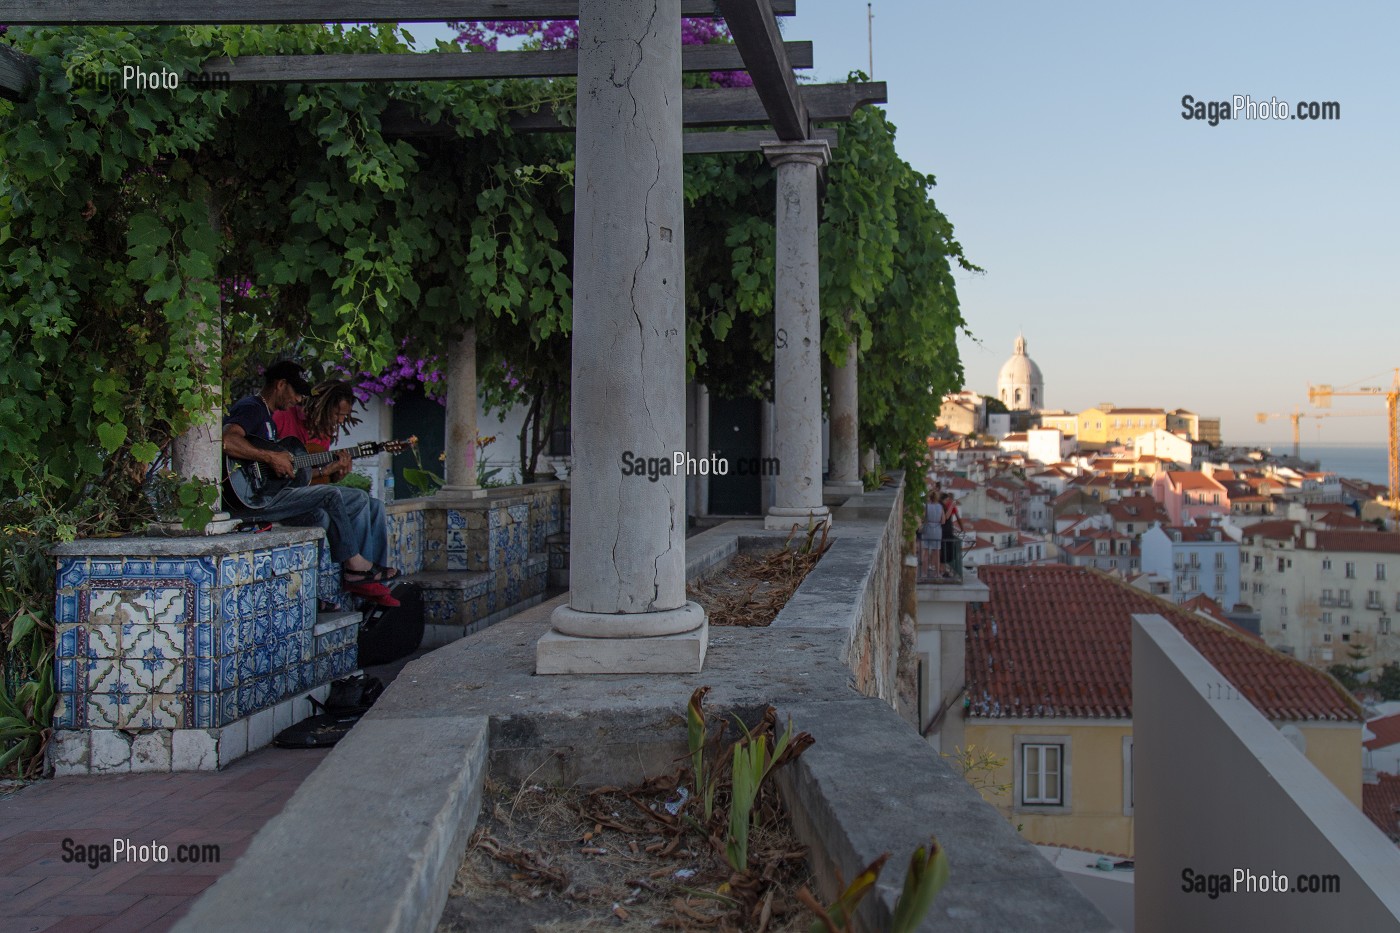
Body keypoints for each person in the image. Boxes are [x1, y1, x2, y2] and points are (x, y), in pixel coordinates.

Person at [223, 362, 398, 606]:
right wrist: (271, 457)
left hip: (268, 495)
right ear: (280, 384)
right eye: (295, 391)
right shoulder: (252, 407)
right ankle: (355, 565)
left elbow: (279, 470)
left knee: (321, 516)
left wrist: (325, 472)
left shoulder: (268, 419)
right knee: (330, 496)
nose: (298, 398)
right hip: (252, 500)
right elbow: (227, 441)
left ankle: (313, 596)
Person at [274, 379, 394, 577]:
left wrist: (335, 474)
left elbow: (316, 479)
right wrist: (325, 471)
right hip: (286, 495)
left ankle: (375, 572)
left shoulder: (323, 432)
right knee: (360, 499)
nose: (340, 421)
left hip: (311, 492)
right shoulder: (284, 418)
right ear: (323, 405)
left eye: (344, 416)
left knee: (376, 506)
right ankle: (359, 574)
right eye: (338, 414)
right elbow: (284, 475)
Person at [921, 489, 944, 577]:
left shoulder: (926, 506)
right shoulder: (940, 507)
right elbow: (943, 521)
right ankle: (937, 573)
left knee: (926, 552)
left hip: (928, 529)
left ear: (929, 498)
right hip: (937, 530)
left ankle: (924, 573)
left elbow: (923, 518)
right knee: (936, 553)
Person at [940, 493, 964, 578]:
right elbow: (956, 517)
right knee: (947, 549)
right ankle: (943, 569)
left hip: (942, 530)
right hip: (947, 530)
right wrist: (962, 528)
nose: (948, 501)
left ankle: (942, 568)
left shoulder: (940, 505)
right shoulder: (949, 506)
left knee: (942, 549)